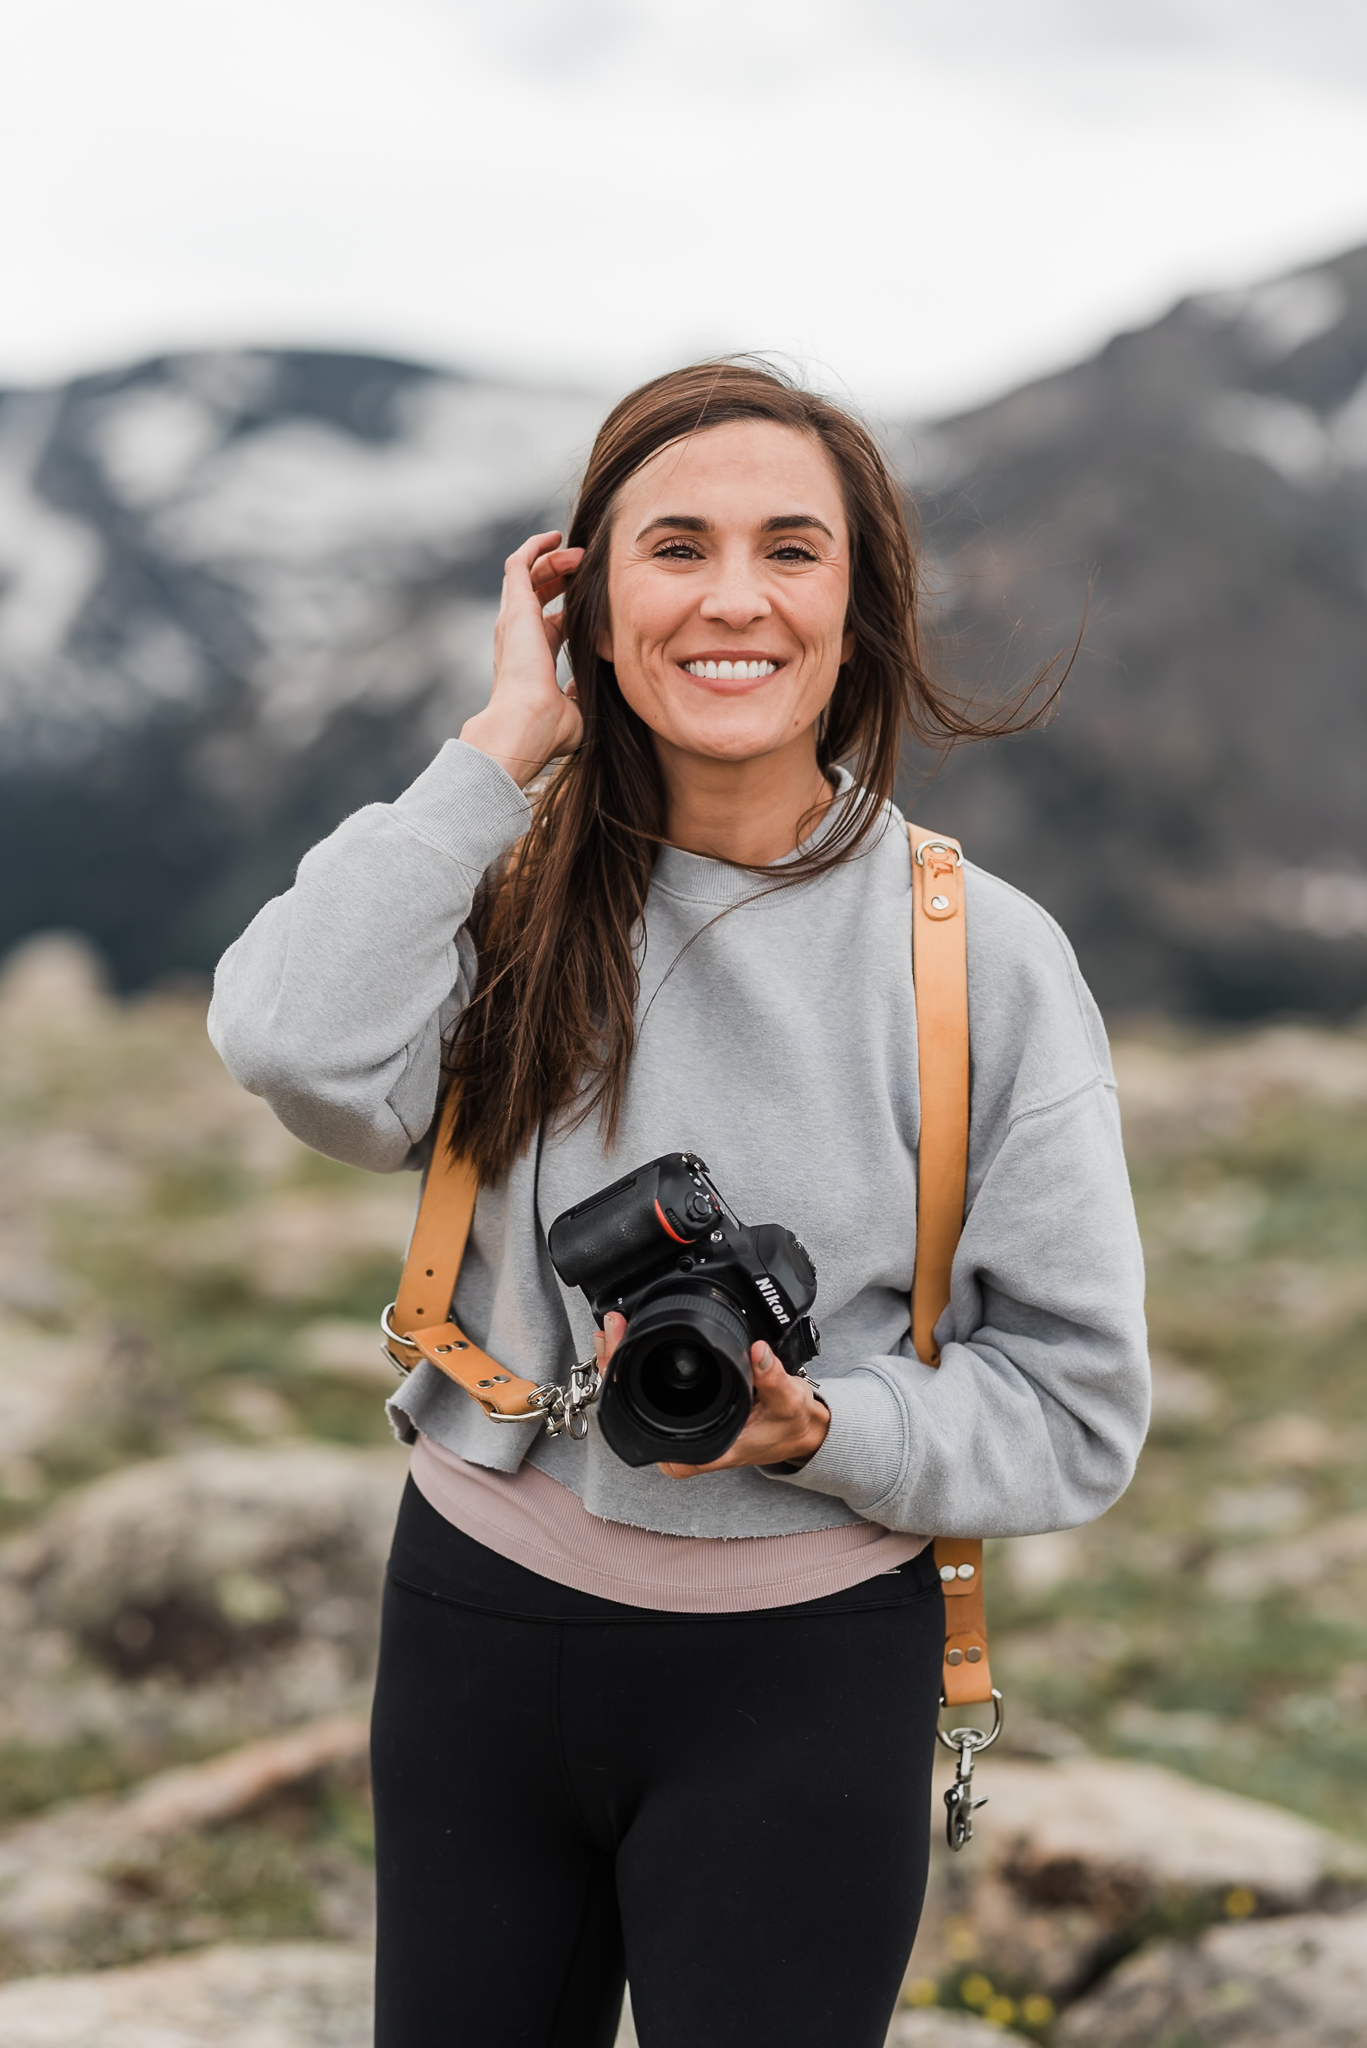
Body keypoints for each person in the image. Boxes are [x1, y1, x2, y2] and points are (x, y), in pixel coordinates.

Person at [209, 361, 1149, 2048]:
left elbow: (1080, 1406)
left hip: (804, 1669)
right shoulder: (493, 899)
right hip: (478, 1621)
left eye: (793, 551)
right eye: (676, 548)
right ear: (587, 596)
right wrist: (500, 749)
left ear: (858, 611)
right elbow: (286, 1040)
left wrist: (823, 1432)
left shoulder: (979, 959)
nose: (734, 599)